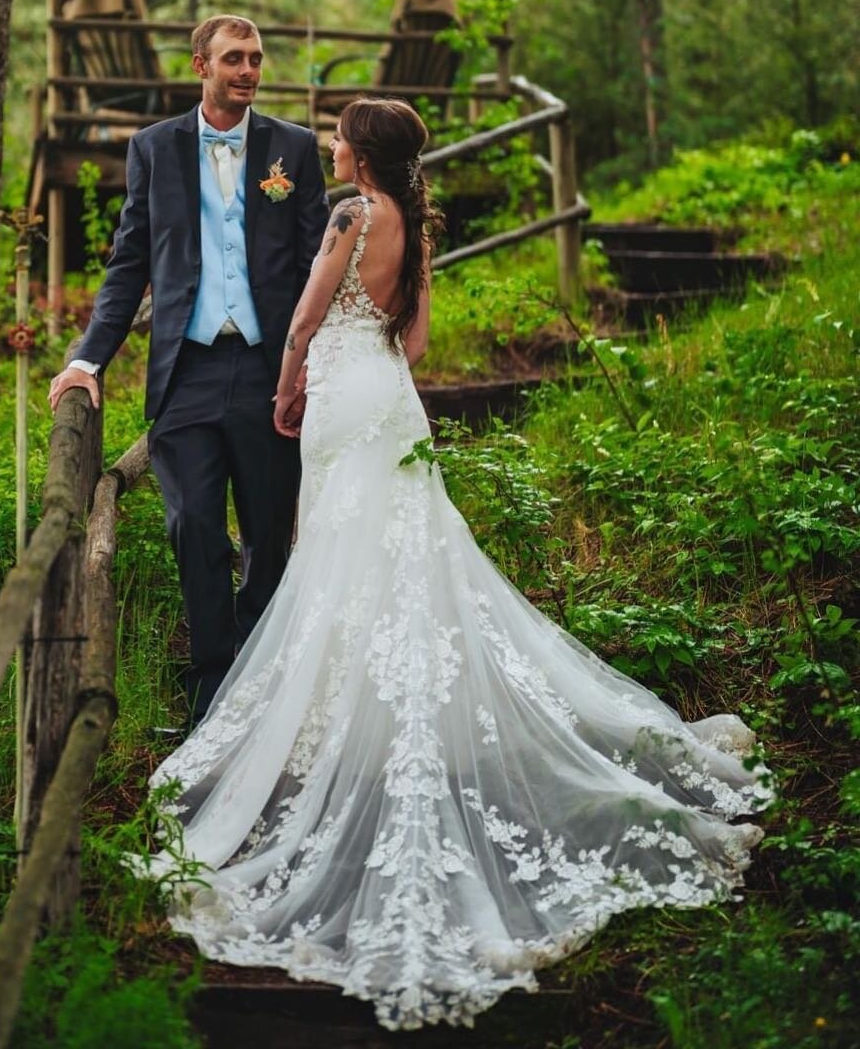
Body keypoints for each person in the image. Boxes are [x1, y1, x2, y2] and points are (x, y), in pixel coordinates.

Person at [140, 97, 774, 1031]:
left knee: (337, 559)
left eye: (341, 133)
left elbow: (308, 315)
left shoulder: (351, 215)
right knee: (403, 557)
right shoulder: (417, 228)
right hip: (391, 398)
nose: (331, 143)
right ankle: (395, 713)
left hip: (340, 396)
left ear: (361, 152)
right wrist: (369, 355)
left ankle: (340, 724)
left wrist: (286, 389)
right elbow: (420, 342)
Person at [48, 14, 328, 728]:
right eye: (234, 58)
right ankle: (212, 687)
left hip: (270, 370)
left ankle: (260, 684)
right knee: (193, 525)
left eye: (257, 58)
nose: (249, 70)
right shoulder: (154, 148)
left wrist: (307, 369)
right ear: (200, 64)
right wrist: (87, 358)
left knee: (268, 532)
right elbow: (129, 263)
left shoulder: (292, 148)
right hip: (187, 373)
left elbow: (311, 268)